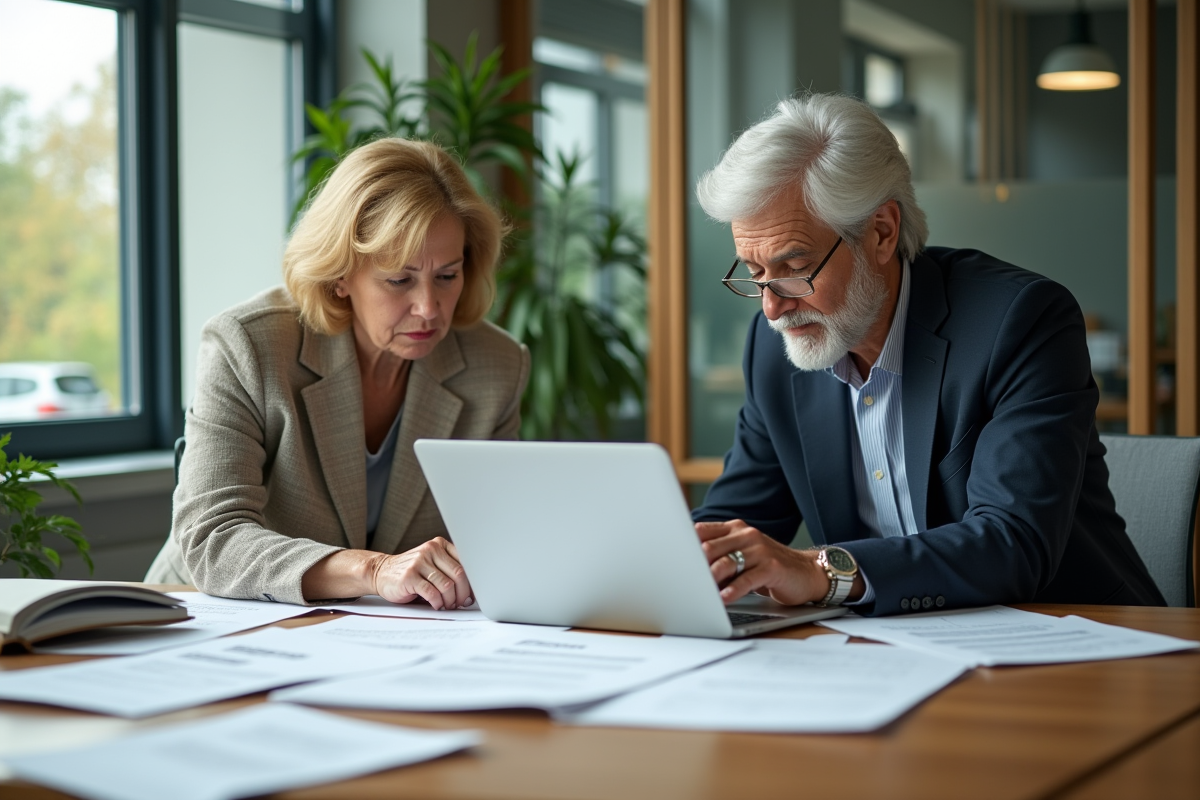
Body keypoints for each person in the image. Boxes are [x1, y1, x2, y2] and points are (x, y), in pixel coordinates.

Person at [691, 94, 1164, 616]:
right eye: (755, 274)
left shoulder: (1020, 321)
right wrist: (680, 558)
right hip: (892, 652)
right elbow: (741, 516)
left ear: (881, 232)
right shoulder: (774, 346)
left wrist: (819, 571)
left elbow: (1012, 543)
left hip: (1079, 641)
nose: (773, 307)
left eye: (793, 266)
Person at [146, 138, 529, 609]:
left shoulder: (497, 366)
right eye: (399, 279)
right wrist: (373, 570)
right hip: (205, 615)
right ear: (339, 274)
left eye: (447, 276)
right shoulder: (249, 346)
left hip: (382, 636)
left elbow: (498, 538)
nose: (429, 307)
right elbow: (213, 539)